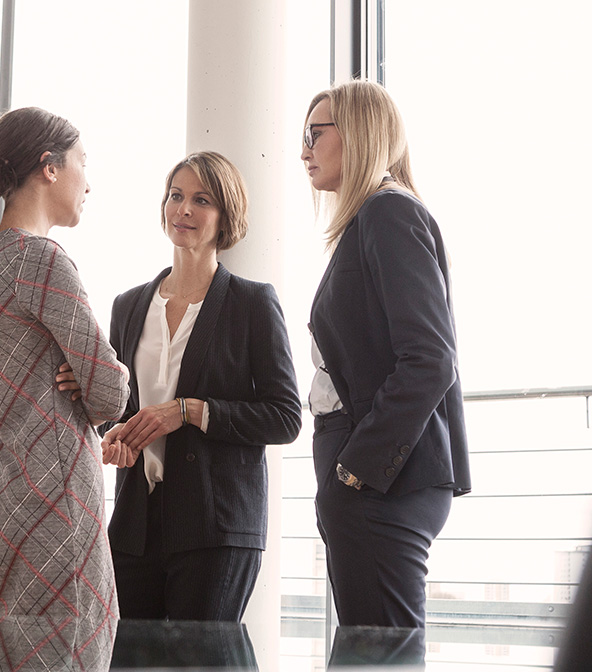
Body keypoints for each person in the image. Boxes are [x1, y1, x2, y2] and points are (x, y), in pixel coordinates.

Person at [100, 151, 302, 622]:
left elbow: (286, 416)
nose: (183, 209)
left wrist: (190, 410)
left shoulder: (252, 303)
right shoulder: (128, 306)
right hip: (134, 524)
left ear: (225, 215)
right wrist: (113, 433)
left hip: (215, 525)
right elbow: (121, 407)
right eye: (175, 196)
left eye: (201, 199)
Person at [302, 81, 471, 629]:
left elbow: (429, 358)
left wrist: (356, 470)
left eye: (314, 134)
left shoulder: (387, 213)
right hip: (374, 478)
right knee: (370, 661)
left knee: (378, 668)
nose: (303, 149)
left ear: (357, 133)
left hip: (381, 479)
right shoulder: (371, 219)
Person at [0, 107, 130, 620]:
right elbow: (107, 394)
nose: (88, 182)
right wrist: (106, 374)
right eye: (82, 161)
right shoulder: (42, 260)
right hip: (53, 510)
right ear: (49, 166)